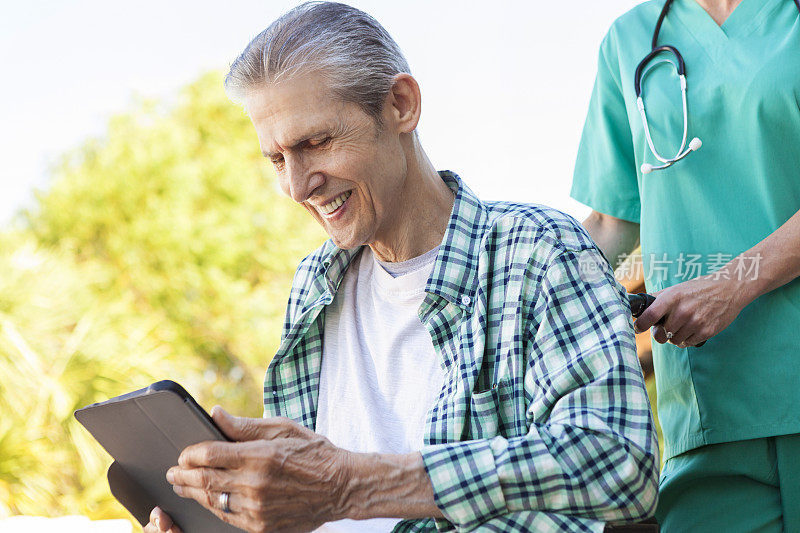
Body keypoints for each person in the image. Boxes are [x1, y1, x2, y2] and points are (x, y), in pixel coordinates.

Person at [145, 3, 658, 532]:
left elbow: (619, 462)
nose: (297, 187)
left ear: (401, 105)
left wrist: (349, 484)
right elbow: (309, 507)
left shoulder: (539, 251)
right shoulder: (313, 287)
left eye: (315, 142)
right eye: (277, 160)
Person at [572, 0, 800, 530]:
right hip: (709, 407)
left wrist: (730, 286)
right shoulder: (629, 40)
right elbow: (611, 219)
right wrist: (525, 284)